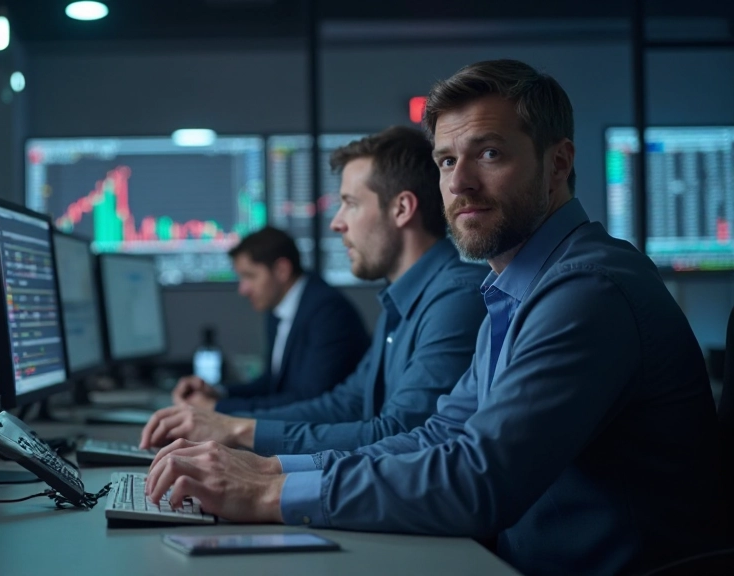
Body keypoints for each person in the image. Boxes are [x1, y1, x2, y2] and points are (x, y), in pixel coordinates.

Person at [143, 60, 725, 576]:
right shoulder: (514, 288)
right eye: (447, 160)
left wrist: (269, 492)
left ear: (559, 163)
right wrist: (270, 467)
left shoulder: (587, 291)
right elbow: (439, 436)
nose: (459, 182)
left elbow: (480, 480)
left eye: (489, 153)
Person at [142, 126, 488, 455]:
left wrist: (236, 430)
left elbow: (399, 436)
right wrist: (225, 421)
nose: (337, 222)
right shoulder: (402, 299)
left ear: (401, 209)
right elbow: (347, 403)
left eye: (350, 203)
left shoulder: (455, 299)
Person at [172, 225, 370, 414]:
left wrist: (217, 409)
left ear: (281, 270)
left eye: (250, 276)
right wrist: (218, 393)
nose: (243, 290)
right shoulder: (279, 306)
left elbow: (308, 399)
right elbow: (273, 383)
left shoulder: (328, 312)